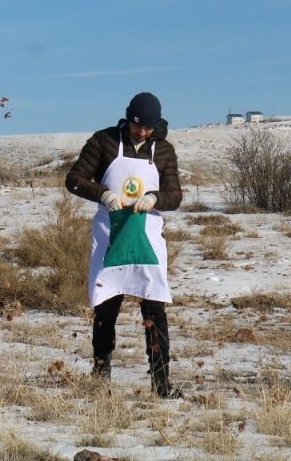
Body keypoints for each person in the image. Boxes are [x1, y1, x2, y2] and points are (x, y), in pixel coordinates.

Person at [64, 92, 183, 399]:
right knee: (106, 307)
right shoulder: (103, 141)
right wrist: (102, 193)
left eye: (148, 127)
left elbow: (175, 196)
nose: (141, 132)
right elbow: (74, 179)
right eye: (137, 125)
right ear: (128, 118)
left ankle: (161, 382)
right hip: (110, 235)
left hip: (147, 239)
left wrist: (156, 197)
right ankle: (100, 375)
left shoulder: (164, 150)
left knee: (154, 309)